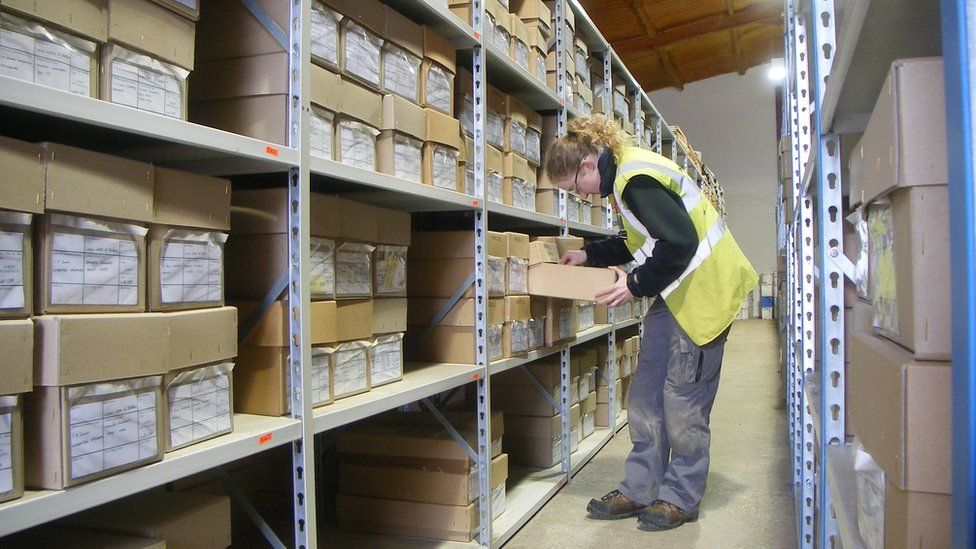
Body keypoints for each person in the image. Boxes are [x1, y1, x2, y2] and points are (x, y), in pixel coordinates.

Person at [543, 114, 758, 531]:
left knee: (683, 402)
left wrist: (635, 284)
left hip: (704, 291)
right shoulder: (623, 181)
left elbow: (680, 242)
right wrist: (589, 255)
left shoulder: (635, 178)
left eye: (575, 187)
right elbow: (637, 240)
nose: (581, 196)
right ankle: (641, 488)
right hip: (676, 289)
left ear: (588, 165)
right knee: (645, 397)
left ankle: (681, 496)